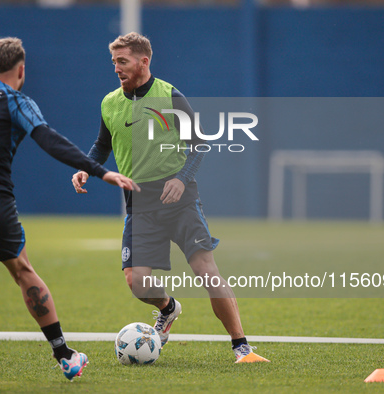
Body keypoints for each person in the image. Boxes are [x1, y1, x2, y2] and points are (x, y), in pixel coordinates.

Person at [0, 37, 139, 387]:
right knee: (23, 271)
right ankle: (65, 356)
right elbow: (48, 139)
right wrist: (101, 171)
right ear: (21, 71)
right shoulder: (16, 100)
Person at [71, 32, 267, 363]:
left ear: (143, 61)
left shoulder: (170, 96)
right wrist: (86, 168)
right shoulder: (109, 103)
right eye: (114, 62)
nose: (117, 68)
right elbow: (103, 143)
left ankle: (241, 346)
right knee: (136, 282)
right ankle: (168, 308)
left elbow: (199, 144)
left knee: (206, 270)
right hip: (139, 203)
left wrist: (181, 178)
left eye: (123, 61)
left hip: (180, 200)